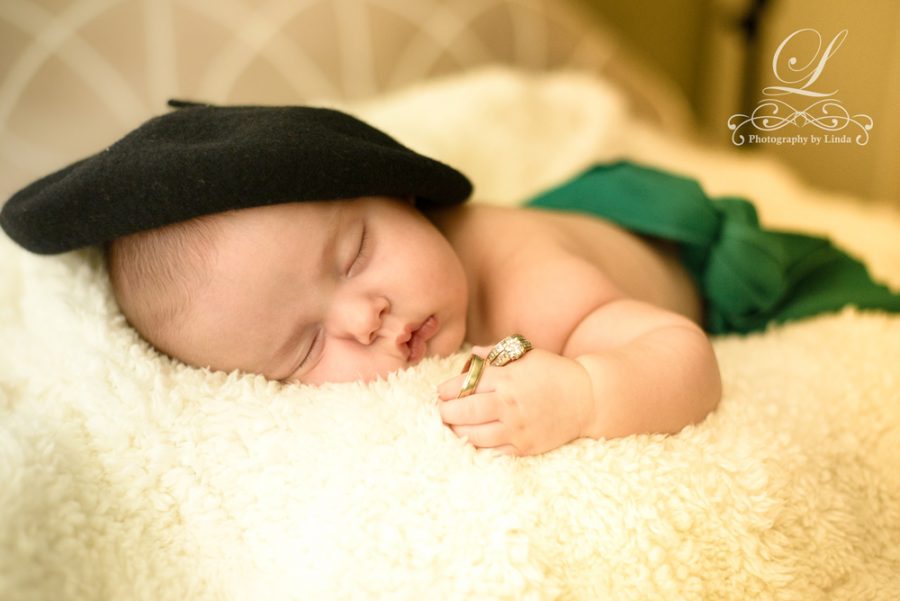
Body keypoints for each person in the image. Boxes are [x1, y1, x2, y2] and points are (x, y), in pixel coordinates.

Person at [4, 102, 897, 456]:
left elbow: (681, 354)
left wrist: (589, 393)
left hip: (697, 252)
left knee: (857, 291)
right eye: (304, 346)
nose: (362, 317)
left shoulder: (536, 287)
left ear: (402, 189)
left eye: (352, 255)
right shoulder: (394, 288)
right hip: (576, 217)